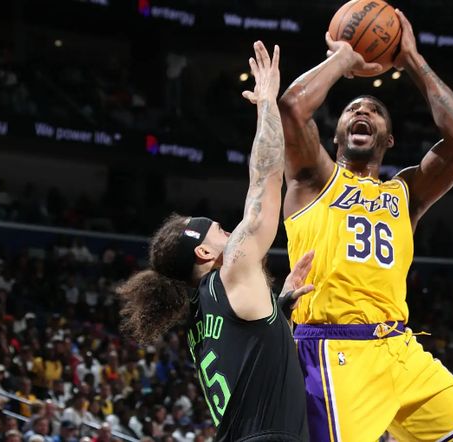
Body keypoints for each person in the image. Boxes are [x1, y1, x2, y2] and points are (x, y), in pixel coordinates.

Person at [278, 9, 453, 442]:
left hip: (401, 348)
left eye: (375, 111)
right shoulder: (314, 179)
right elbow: (292, 108)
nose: (363, 110)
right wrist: (344, 57)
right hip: (334, 348)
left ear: (389, 139)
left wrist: (411, 58)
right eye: (353, 109)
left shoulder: (406, 192)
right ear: (336, 134)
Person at [117, 41, 311, 442]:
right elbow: (266, 178)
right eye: (221, 230)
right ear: (204, 252)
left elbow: (247, 357)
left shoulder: (199, 317)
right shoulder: (231, 273)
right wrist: (267, 103)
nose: (230, 233)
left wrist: (278, 309)